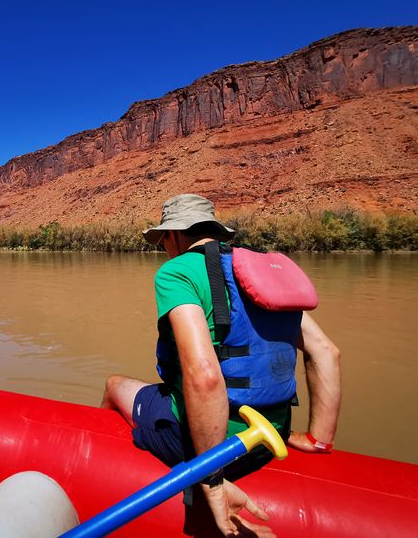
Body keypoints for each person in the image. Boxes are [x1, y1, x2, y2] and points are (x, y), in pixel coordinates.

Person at [102, 194, 341, 538]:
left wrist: (211, 478)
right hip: (270, 437)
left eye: (163, 242)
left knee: (114, 384)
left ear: (172, 235)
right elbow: (326, 352)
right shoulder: (259, 271)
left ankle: (103, 463)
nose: (163, 249)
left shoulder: (177, 271)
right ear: (214, 230)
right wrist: (317, 439)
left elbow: (204, 374)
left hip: (223, 448)